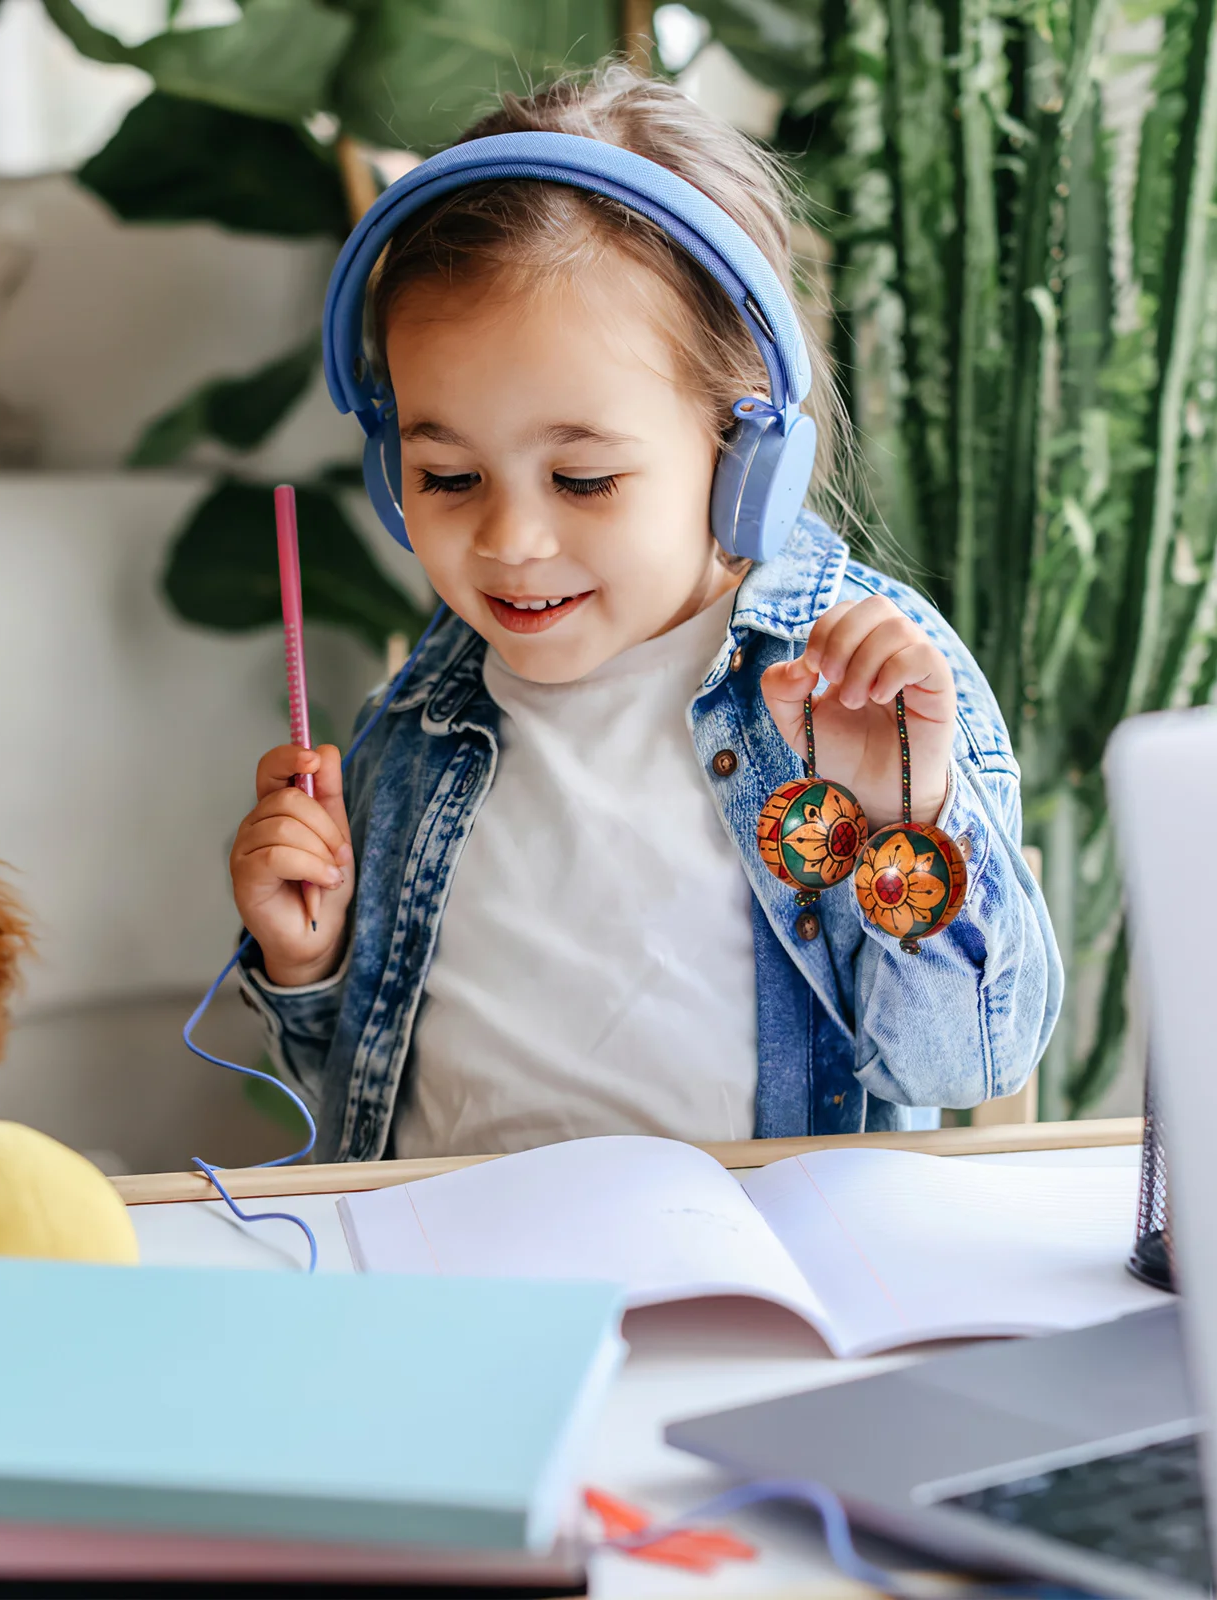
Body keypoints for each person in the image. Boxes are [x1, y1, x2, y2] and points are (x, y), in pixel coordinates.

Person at [228, 65, 1061, 1163]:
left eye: (582, 482)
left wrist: (908, 814)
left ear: (744, 456)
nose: (509, 542)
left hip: (752, 1288)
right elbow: (367, 1080)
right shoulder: (423, 717)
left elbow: (962, 1066)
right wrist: (309, 962)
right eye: (446, 478)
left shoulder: (861, 683)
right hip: (465, 1278)